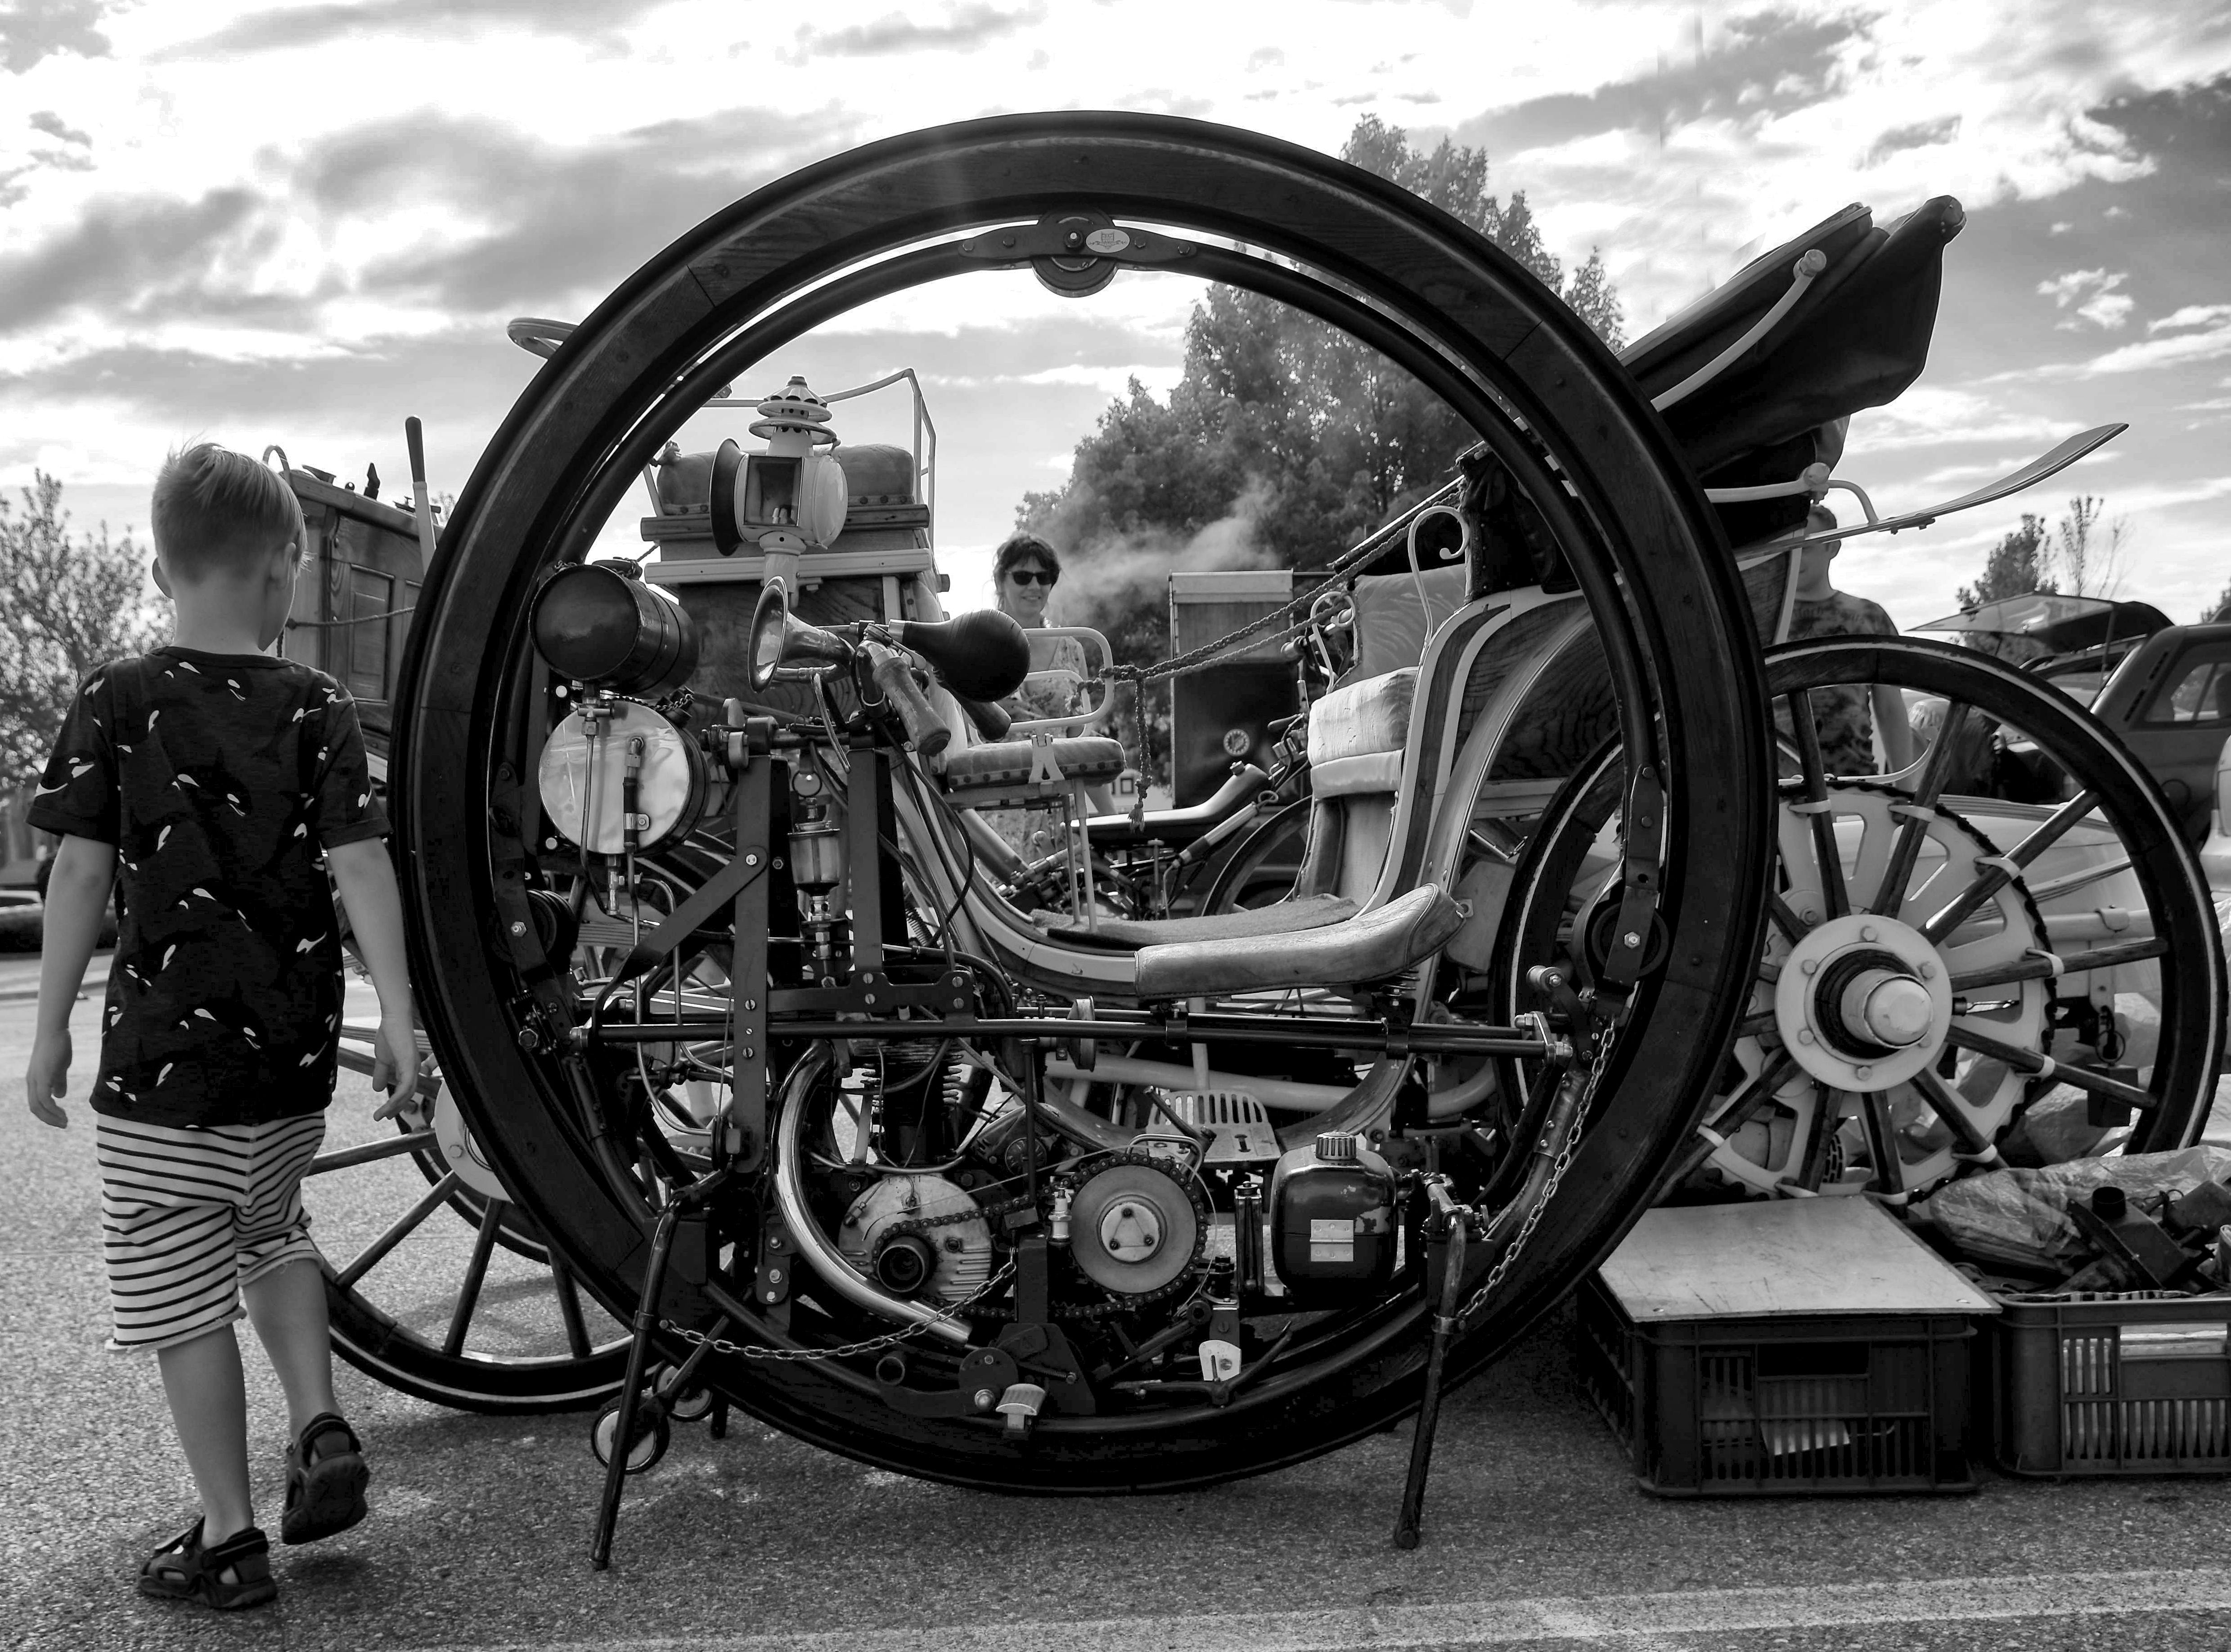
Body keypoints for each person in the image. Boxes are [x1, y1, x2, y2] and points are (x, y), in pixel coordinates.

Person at [22, 445, 419, 1612]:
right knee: (272, 1226)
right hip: (288, 1060)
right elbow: (362, 861)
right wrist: (396, 1009)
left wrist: (50, 1026)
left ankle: (230, 1529)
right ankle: (319, 1418)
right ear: (285, 567)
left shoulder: (118, 695)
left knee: (177, 1279)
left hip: (164, 1065)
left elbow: (81, 870)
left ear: (158, 566)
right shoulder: (318, 704)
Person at [1778, 503, 1916, 774]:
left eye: (1806, 547)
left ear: (1833, 548)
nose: (1795, 556)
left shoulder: (1870, 617)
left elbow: (1890, 708)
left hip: (1855, 780)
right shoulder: (1763, 618)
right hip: (1776, 787)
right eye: (1788, 546)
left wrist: (1905, 791)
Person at [991, 532, 1092, 726]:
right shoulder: (976, 646)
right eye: (1023, 577)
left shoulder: (1072, 651)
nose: (1035, 586)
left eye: (1044, 577)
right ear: (1000, 582)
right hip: (994, 756)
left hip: (1060, 756)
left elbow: (1080, 731)